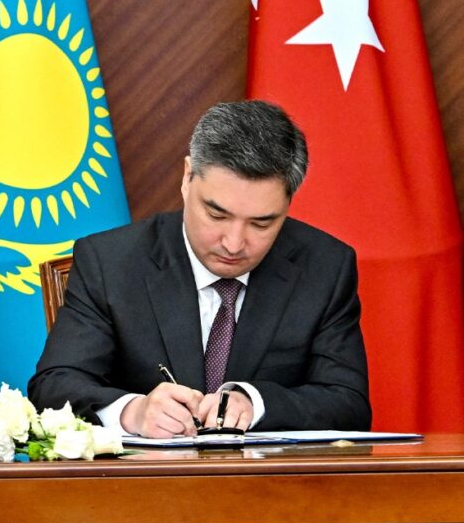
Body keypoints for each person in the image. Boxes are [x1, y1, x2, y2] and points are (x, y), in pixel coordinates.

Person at [29, 100, 369, 438]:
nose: (234, 243)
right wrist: (132, 412)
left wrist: (257, 403)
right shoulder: (111, 262)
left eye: (261, 224)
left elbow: (349, 404)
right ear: (187, 177)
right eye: (217, 215)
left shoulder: (324, 267)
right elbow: (54, 385)